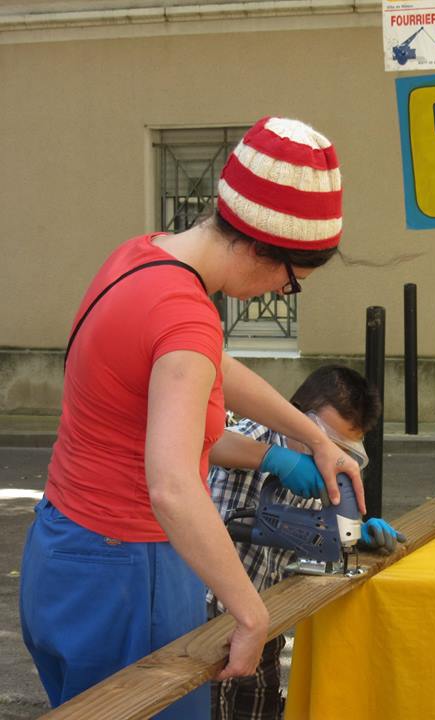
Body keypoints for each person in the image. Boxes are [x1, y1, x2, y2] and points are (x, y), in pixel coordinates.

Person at [19, 117, 365, 718]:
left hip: (64, 553)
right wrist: (251, 613)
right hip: (131, 573)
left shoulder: (143, 257)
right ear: (261, 247)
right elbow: (174, 488)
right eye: (292, 283)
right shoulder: (186, 317)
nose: (278, 295)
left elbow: (211, 366)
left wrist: (311, 436)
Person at [208, 365, 405, 720]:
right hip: (207, 616)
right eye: (322, 438)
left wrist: (357, 535)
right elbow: (206, 442)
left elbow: (320, 537)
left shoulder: (328, 474)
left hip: (263, 617)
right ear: (297, 413)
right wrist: (273, 458)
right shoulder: (257, 432)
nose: (328, 453)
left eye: (342, 447)